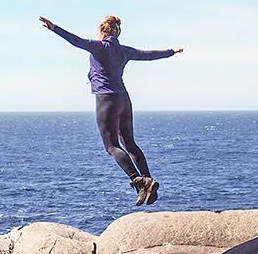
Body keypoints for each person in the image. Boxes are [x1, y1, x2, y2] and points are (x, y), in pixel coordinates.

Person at [40, 14, 183, 206]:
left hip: (106, 99)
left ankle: (139, 181)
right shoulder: (123, 50)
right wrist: (171, 52)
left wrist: (54, 28)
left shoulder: (99, 46)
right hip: (124, 98)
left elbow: (77, 41)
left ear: (101, 31)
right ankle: (148, 179)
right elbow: (148, 55)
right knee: (130, 143)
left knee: (111, 146)